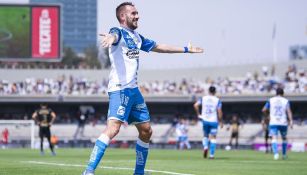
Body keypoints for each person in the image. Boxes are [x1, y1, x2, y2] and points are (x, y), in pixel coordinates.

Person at [82, 2, 203, 175]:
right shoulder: (118, 32)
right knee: (113, 129)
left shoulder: (137, 37)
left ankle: (139, 172)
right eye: (133, 13)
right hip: (120, 89)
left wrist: (186, 49)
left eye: (137, 13)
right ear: (123, 16)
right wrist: (111, 38)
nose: (137, 16)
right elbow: (114, 35)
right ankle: (88, 171)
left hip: (134, 91)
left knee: (146, 131)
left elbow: (160, 47)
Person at [262, 87, 293, 160]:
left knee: (274, 138)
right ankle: (284, 155)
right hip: (283, 122)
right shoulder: (286, 101)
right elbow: (289, 111)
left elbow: (264, 109)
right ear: (283, 93)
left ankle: (276, 154)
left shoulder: (270, 100)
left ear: (276, 93)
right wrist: (291, 121)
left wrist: (268, 115)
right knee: (284, 138)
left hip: (273, 122)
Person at [193, 86, 223, 159]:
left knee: (205, 135)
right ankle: (211, 155)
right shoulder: (217, 100)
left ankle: (206, 146)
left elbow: (195, 105)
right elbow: (219, 111)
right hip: (213, 121)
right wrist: (221, 121)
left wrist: (198, 114)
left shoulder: (203, 98)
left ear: (208, 91)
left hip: (205, 120)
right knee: (213, 138)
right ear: (215, 92)